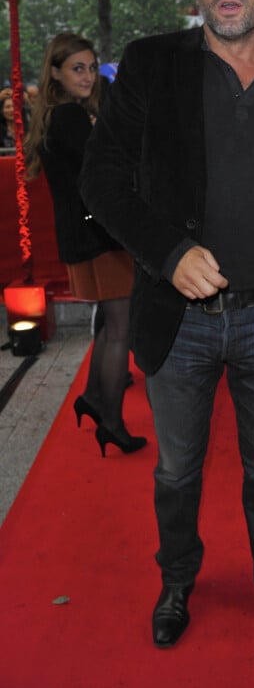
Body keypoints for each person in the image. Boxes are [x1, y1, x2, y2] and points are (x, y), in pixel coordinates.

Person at [80, 0, 254, 651]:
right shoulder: (152, 64)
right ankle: (178, 580)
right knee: (176, 470)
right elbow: (101, 177)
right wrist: (167, 249)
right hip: (177, 320)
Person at [25, 32, 146, 457]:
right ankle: (110, 419)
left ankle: (96, 398)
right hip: (97, 236)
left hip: (84, 233)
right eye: (79, 68)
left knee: (107, 323)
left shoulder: (56, 114)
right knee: (119, 326)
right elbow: (111, 168)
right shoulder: (71, 118)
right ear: (55, 72)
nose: (89, 76)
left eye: (92, 68)